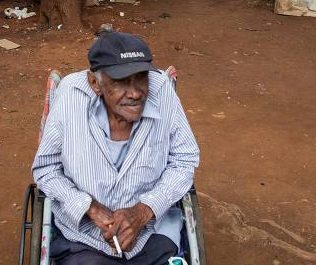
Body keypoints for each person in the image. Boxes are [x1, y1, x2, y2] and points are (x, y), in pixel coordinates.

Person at [32, 31, 200, 264]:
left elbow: (184, 159)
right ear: (95, 83)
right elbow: (46, 168)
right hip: (84, 238)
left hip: (153, 232)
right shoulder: (71, 96)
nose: (135, 93)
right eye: (121, 81)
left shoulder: (161, 90)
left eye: (141, 78)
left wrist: (144, 211)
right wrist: (88, 207)